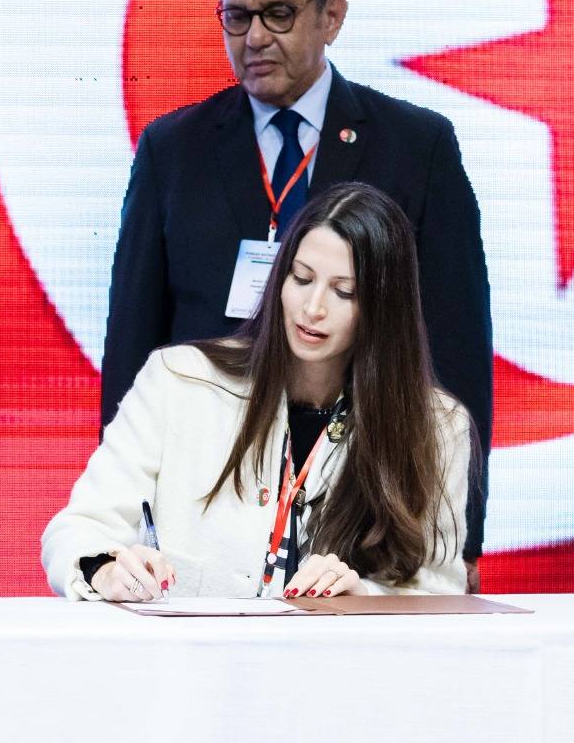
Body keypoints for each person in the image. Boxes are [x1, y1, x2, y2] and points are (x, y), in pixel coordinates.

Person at [100, 0, 491, 583]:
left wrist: (464, 536)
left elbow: (456, 344)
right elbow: (133, 341)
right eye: (237, 17)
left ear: (331, 16)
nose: (254, 37)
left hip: (361, 480)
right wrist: (125, 525)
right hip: (211, 486)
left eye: (278, 13)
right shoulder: (174, 148)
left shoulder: (416, 145)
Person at [46, 183, 470, 601]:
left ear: (385, 308)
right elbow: (78, 530)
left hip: (337, 648)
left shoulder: (436, 425)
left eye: (345, 292)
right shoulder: (179, 379)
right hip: (194, 647)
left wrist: (363, 596)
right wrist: (106, 570)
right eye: (301, 278)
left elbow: (441, 593)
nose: (313, 307)